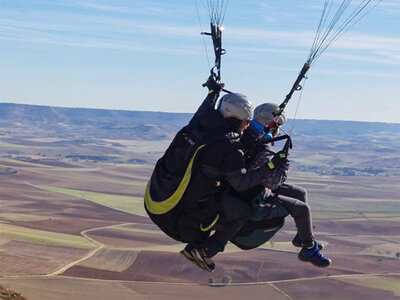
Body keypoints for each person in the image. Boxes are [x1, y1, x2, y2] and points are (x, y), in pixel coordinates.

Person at [144, 78, 283, 272]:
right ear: (240, 121)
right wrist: (271, 165)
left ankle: (198, 244)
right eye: (246, 122)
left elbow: (207, 106)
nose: (247, 125)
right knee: (241, 210)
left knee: (210, 190)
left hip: (154, 198)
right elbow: (241, 183)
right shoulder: (229, 146)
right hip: (175, 219)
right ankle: (205, 251)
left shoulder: (200, 121)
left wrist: (213, 91)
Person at [239, 103, 332, 267]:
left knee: (299, 193)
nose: (278, 131)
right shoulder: (259, 143)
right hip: (253, 191)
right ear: (268, 123)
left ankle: (302, 239)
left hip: (254, 182)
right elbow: (273, 181)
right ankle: (309, 249)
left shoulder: (250, 134)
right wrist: (284, 164)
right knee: (302, 209)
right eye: (277, 126)